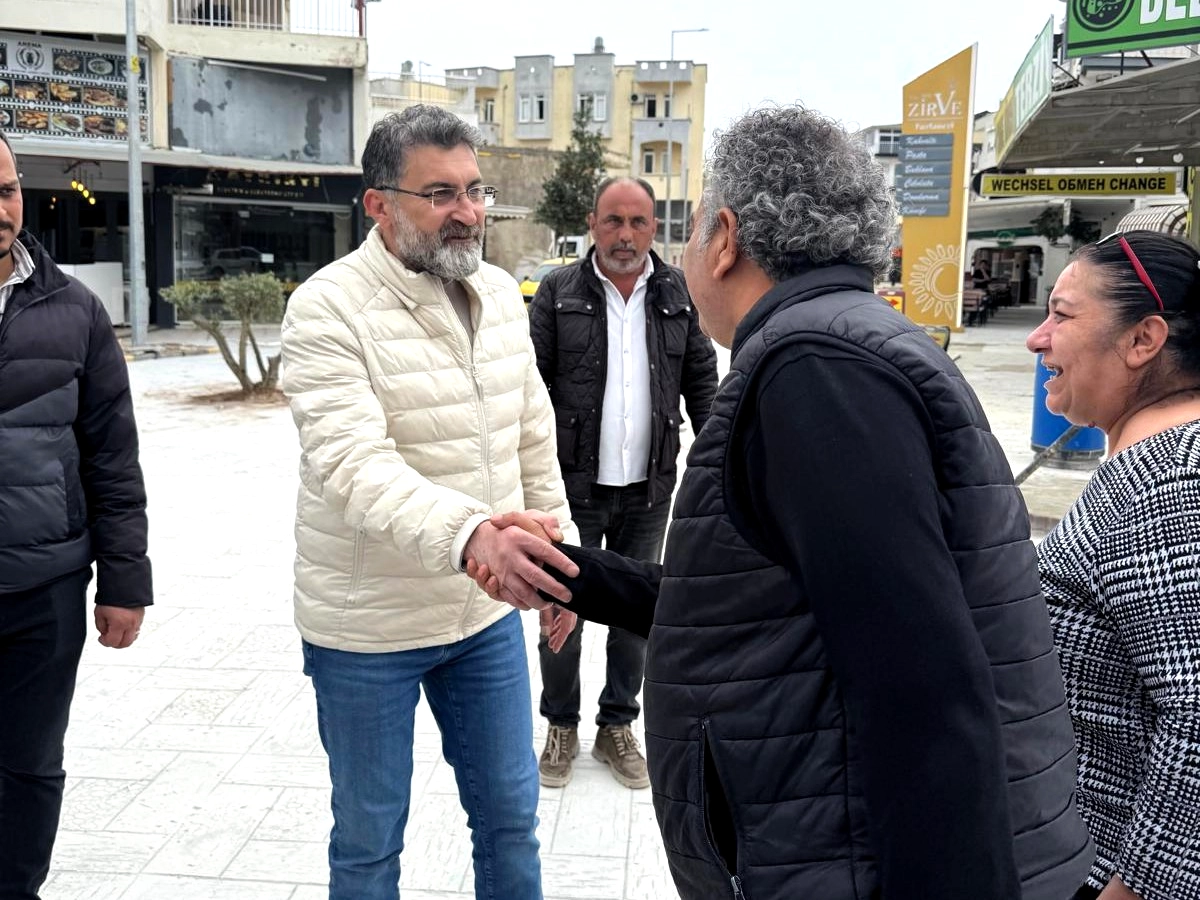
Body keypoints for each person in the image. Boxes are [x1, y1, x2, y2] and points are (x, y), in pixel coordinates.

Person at [469, 106, 1095, 900]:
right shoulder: (830, 348)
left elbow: (920, 684)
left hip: (856, 862)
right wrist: (574, 574)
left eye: (688, 228)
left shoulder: (816, 371)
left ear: (725, 237)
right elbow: (761, 605)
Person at [279, 105, 581, 900]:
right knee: (372, 839)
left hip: (479, 620)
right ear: (378, 204)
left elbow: (531, 434)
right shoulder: (327, 307)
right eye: (441, 194)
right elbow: (354, 463)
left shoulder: (499, 293)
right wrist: (472, 534)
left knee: (511, 819)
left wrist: (563, 560)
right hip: (367, 628)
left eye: (475, 190)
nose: (469, 212)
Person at [0, 130, 152, 900]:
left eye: (4, 190)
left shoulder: (76, 311)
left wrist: (125, 581)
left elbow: (112, 459)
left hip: (44, 589)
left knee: (29, 767)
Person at [527, 176, 717, 790]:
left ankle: (617, 723)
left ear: (653, 227)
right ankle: (561, 722)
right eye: (614, 221)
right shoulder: (558, 292)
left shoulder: (678, 293)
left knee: (639, 611)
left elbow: (703, 386)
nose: (626, 235)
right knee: (563, 608)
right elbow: (530, 395)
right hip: (572, 487)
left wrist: (719, 471)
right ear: (592, 222)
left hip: (649, 489)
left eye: (638, 222)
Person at [1027, 230, 1200, 900]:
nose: (1037, 339)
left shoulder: (1170, 486)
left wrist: (1133, 891)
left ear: (1142, 340)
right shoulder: (1155, 466)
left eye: (1063, 315)